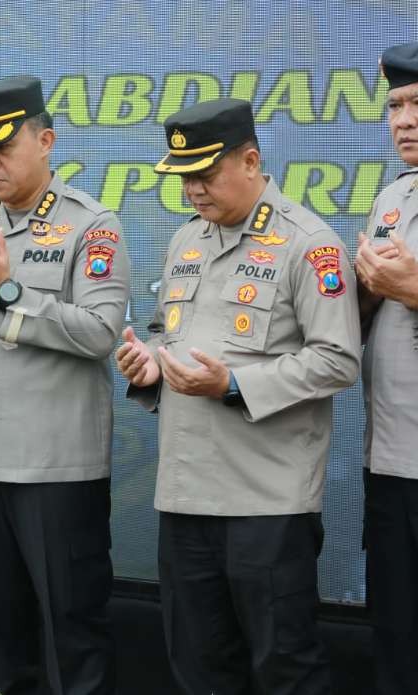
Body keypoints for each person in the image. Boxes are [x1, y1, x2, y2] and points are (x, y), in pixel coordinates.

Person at [116, 97, 361, 695]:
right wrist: (148, 364)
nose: (193, 190)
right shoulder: (184, 241)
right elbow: (162, 332)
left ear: (250, 160)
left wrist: (232, 384)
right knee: (200, 668)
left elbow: (338, 360)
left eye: (205, 174)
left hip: (266, 502)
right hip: (184, 494)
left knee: (286, 669)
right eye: (184, 178)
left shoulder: (309, 243)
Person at [0, 75, 129, 694]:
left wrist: (7, 292)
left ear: (46, 141)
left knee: (72, 634)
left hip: (56, 467)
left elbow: (98, 333)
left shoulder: (92, 224)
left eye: (1, 147)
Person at [353, 41, 418, 695]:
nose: (404, 118)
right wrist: (366, 294)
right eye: (396, 104)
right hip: (394, 460)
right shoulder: (392, 197)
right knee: (396, 636)